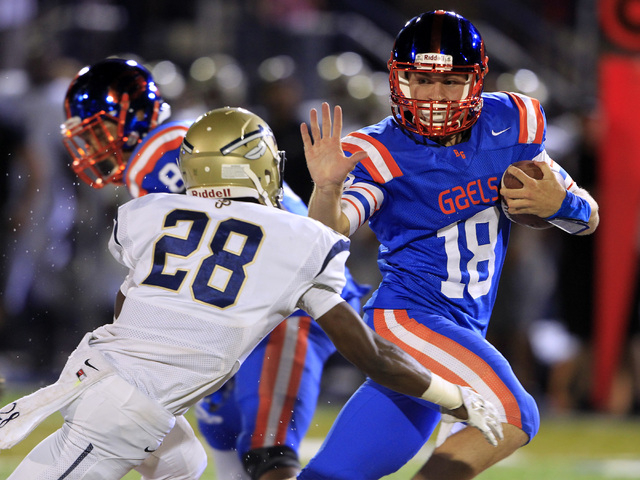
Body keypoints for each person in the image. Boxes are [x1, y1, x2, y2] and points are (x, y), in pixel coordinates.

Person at [0, 106, 503, 480]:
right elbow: (368, 354)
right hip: (125, 408)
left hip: (95, 371)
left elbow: (129, 298)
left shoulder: (145, 212)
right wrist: (454, 398)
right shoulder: (300, 239)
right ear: (261, 167)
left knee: (185, 463)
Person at [298, 10, 599, 480]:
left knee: (332, 477)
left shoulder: (510, 124)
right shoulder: (378, 151)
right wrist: (327, 188)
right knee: (513, 415)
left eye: (451, 81)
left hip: (460, 328)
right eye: (420, 79)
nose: (435, 96)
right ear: (399, 80)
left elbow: (588, 218)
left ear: (476, 81)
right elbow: (329, 234)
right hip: (409, 319)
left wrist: (563, 204)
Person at [59, 57, 369, 480]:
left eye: (97, 133)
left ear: (129, 119)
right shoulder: (174, 142)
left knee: (267, 449)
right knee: (221, 424)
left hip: (290, 299)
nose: (91, 149)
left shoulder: (157, 157)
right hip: (257, 296)